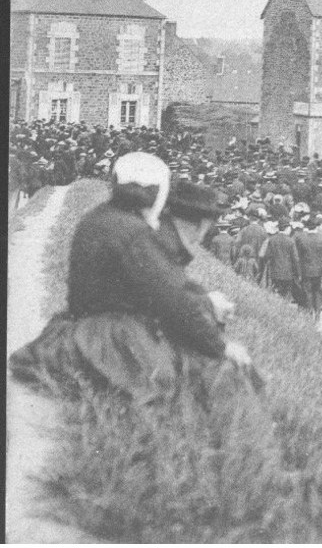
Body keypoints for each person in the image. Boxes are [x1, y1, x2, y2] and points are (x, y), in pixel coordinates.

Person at [11, 153, 262, 405]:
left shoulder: (99, 217)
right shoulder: (135, 233)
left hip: (82, 328)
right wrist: (221, 346)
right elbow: (173, 300)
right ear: (158, 194)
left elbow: (154, 288)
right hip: (109, 336)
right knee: (191, 377)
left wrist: (204, 302)